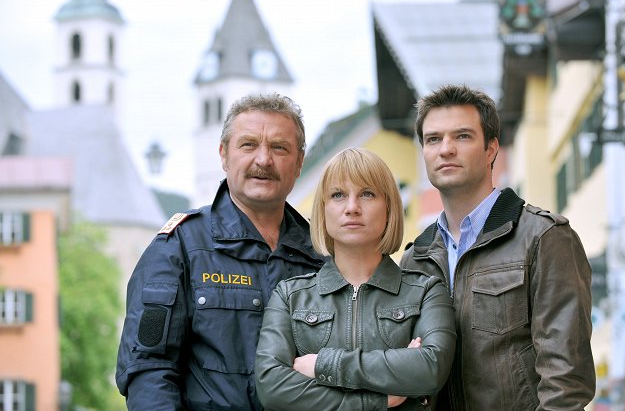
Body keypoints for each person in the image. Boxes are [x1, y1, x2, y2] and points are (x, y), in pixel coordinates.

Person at [116, 93, 324, 410]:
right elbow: (147, 369)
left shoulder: (323, 254)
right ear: (224, 155)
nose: (264, 160)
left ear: (299, 162)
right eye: (249, 145)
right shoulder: (178, 247)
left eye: (279, 147)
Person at [400, 84, 596, 410]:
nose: (445, 149)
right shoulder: (414, 259)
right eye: (433, 139)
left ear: (491, 149)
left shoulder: (544, 237)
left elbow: (566, 382)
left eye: (462, 136)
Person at [255, 148, 456, 411]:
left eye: (367, 194)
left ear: (389, 208)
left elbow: (430, 369)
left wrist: (320, 365)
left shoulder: (425, 291)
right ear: (323, 210)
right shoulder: (290, 296)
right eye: (338, 195)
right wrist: (377, 399)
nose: (352, 208)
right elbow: (271, 387)